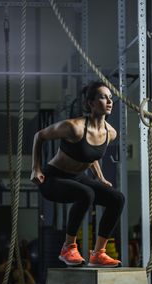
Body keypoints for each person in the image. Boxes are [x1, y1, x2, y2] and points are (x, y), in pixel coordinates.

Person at [30, 81, 125, 267]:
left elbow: (90, 155)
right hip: (53, 178)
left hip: (77, 178)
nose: (109, 101)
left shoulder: (111, 133)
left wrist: (100, 177)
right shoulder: (74, 127)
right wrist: (36, 168)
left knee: (117, 199)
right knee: (86, 194)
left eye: (110, 98)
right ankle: (68, 248)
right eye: (103, 97)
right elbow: (39, 136)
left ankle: (98, 253)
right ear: (90, 103)